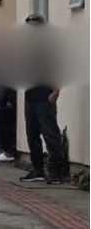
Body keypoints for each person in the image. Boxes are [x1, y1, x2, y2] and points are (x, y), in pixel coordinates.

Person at [21, 14, 67, 184]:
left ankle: (57, 172)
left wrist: (56, 91)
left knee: (50, 135)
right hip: (30, 96)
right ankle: (38, 169)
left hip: (45, 96)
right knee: (32, 135)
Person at [0, 86, 17, 162]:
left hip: (8, 104)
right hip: (3, 104)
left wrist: (11, 101)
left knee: (6, 127)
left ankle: (8, 151)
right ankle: (4, 149)